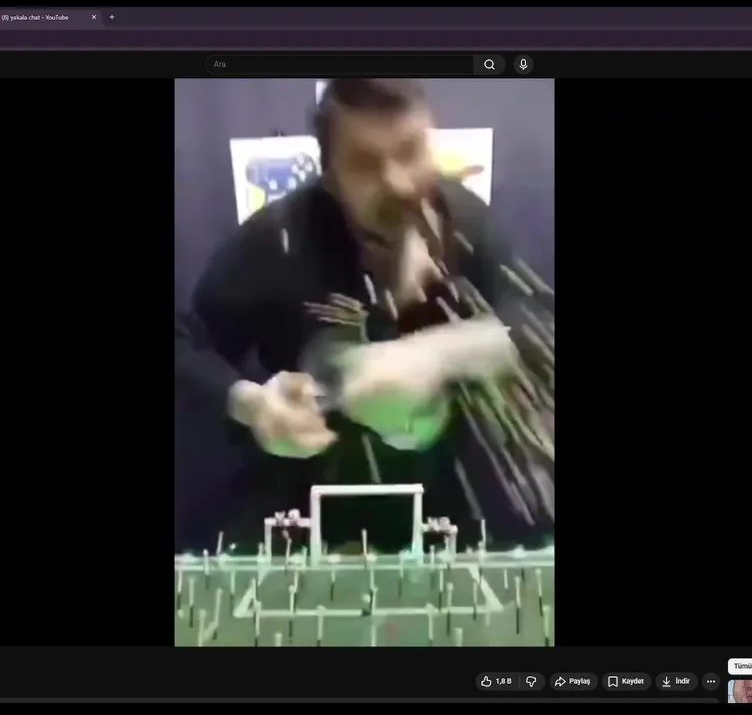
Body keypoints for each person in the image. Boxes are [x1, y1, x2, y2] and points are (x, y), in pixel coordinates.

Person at [175, 78, 552, 553]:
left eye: (410, 151)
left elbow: (535, 324)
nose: (397, 181)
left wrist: (439, 352)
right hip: (310, 527)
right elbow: (185, 344)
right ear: (330, 175)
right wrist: (251, 403)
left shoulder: (464, 220)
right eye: (365, 164)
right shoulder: (278, 239)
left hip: (449, 527)